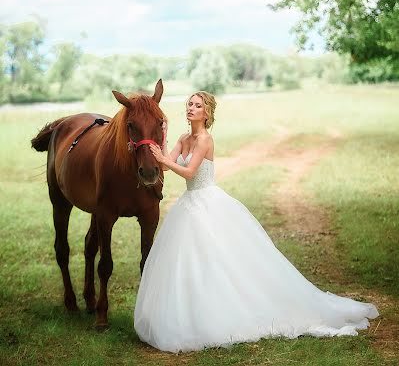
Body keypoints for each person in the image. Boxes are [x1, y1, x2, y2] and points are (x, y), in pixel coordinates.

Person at [133, 91, 378, 353]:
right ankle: (197, 310)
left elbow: (189, 171)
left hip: (208, 202)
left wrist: (162, 159)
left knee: (222, 258)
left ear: (207, 113)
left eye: (197, 105)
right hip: (188, 204)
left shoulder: (205, 139)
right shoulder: (184, 138)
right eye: (189, 104)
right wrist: (163, 141)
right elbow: (168, 166)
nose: (191, 108)